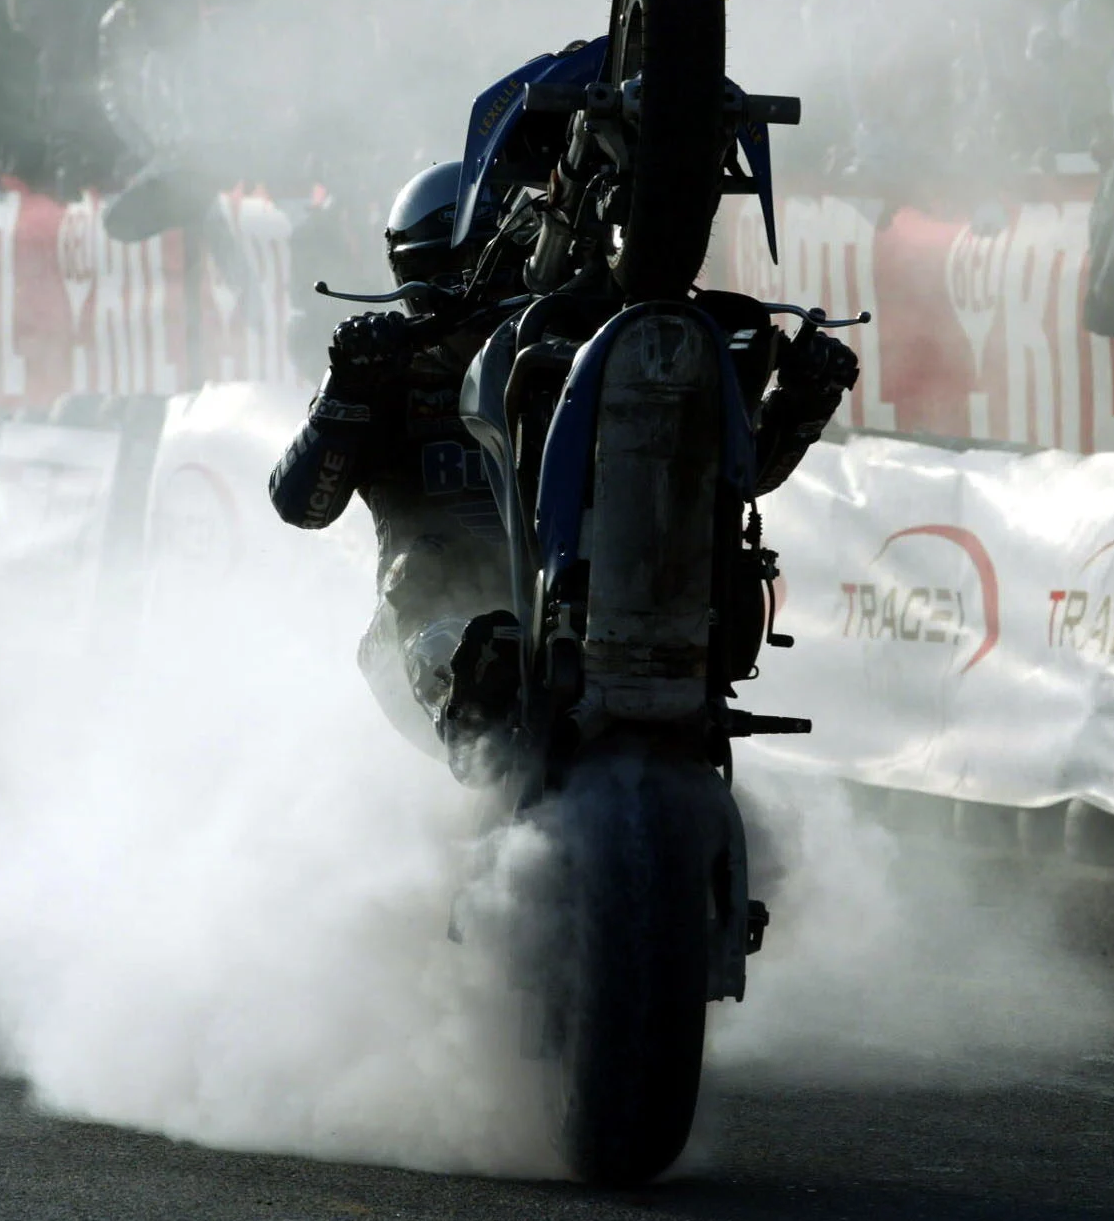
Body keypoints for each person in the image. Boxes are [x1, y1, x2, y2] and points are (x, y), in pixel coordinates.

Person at [266, 160, 859, 777]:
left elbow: (729, 479)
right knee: (444, 604)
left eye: (500, 269)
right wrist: (346, 390)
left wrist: (802, 403)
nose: (481, 293)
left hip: (581, 625)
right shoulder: (385, 378)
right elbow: (302, 505)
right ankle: (472, 724)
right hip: (424, 639)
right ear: (417, 278)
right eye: (458, 273)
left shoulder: (586, 362)